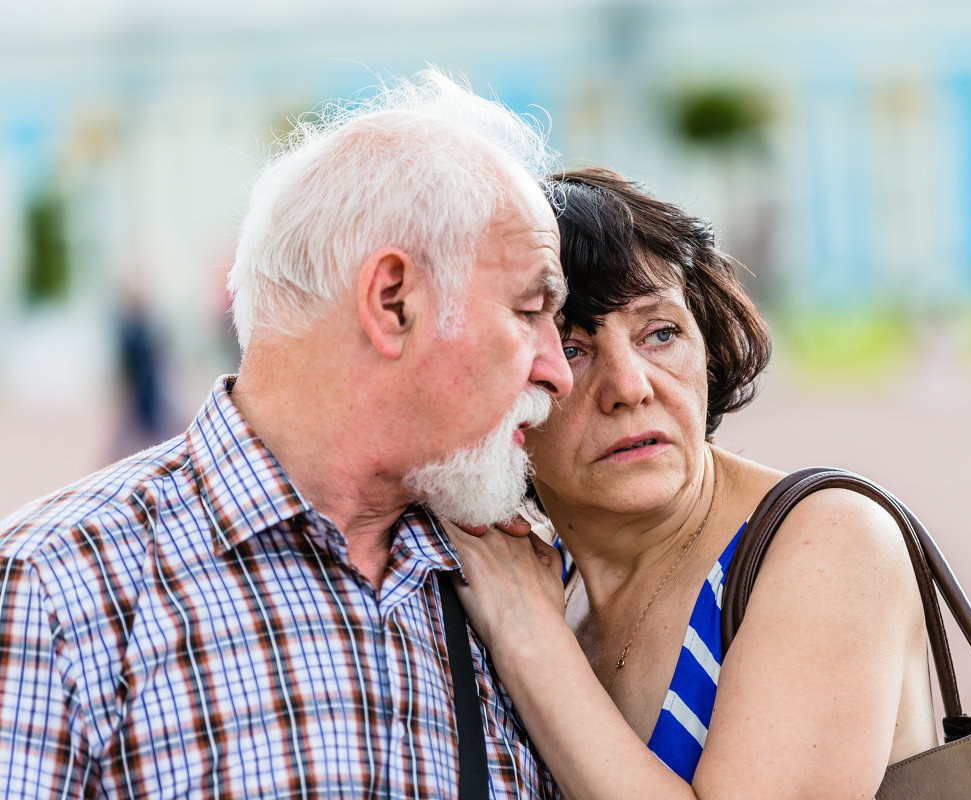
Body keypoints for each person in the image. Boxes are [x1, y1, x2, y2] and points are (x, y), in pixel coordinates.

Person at [0, 70, 571, 798]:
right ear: (393, 301)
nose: (560, 372)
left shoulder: (512, 582)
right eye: (529, 310)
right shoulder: (50, 592)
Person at [445, 167, 938, 799]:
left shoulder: (828, 541)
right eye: (571, 349)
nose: (629, 387)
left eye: (660, 333)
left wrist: (527, 637)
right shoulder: (543, 583)